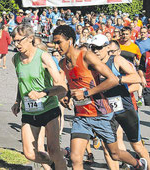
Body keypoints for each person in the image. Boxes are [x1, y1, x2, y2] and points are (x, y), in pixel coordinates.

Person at [53, 25, 147, 170]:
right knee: (75, 158)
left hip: (101, 115)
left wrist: (86, 93)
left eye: (59, 42)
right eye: (54, 43)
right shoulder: (63, 63)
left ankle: (138, 164)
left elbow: (113, 79)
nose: (56, 46)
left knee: (115, 154)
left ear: (70, 40)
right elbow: (73, 82)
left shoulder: (86, 56)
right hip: (81, 116)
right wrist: (67, 95)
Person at [11, 24, 67, 170]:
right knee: (29, 153)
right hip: (29, 110)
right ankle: (52, 164)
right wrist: (18, 100)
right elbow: (21, 81)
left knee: (54, 150)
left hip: (49, 108)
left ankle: (58, 161)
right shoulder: (15, 59)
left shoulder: (44, 57)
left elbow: (61, 86)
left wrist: (43, 93)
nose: (16, 44)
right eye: (14, 41)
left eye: (18, 41)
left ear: (30, 38)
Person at [90, 35, 149, 170]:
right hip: (105, 112)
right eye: (93, 48)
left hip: (124, 109)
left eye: (98, 48)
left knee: (137, 146)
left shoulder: (116, 60)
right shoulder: (91, 65)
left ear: (107, 48)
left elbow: (136, 78)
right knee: (108, 149)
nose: (95, 51)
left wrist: (117, 79)